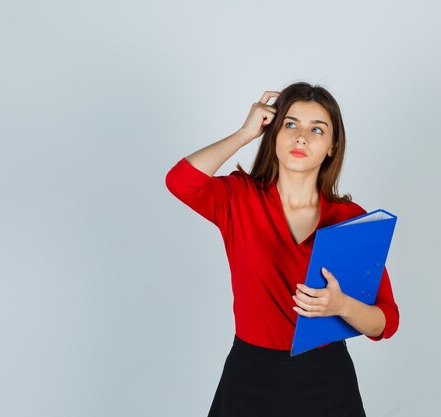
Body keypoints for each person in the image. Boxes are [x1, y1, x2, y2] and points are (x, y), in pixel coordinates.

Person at [165, 82, 399, 417]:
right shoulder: (239, 197)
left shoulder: (350, 220)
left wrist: (341, 305)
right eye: (290, 124)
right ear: (272, 132)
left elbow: (386, 321)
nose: (301, 137)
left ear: (332, 146)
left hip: (326, 378)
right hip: (250, 374)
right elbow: (179, 181)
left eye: (317, 129)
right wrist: (245, 133)